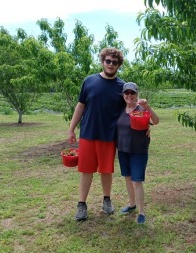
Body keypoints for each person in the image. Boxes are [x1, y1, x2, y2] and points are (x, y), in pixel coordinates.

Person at [68, 48, 126, 221]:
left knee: (106, 170)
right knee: (86, 170)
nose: (110, 64)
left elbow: (128, 111)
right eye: (108, 61)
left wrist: (146, 125)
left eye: (114, 62)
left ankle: (107, 200)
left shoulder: (122, 87)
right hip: (88, 133)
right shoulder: (89, 81)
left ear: (118, 65)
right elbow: (80, 106)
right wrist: (71, 128)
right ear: (102, 61)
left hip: (109, 136)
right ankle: (81, 205)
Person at [117, 82, 159, 224]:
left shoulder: (141, 109)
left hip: (138, 150)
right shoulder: (120, 109)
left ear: (137, 94)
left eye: (132, 93)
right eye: (127, 93)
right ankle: (131, 204)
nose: (129, 95)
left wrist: (147, 107)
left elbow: (156, 121)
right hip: (123, 149)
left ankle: (141, 212)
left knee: (137, 181)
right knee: (128, 178)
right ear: (123, 95)